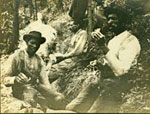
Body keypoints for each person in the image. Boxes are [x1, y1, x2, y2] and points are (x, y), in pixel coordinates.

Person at [66, 6, 141, 113]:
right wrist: (99, 63)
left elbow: (121, 71)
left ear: (123, 22)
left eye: (114, 19)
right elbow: (110, 60)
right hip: (103, 81)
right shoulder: (113, 40)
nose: (110, 22)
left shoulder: (131, 41)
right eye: (109, 19)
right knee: (72, 108)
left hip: (117, 85)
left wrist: (103, 46)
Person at [3, 31, 65, 110]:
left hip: (36, 87)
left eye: (37, 44)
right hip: (21, 90)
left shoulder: (39, 60)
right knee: (31, 100)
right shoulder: (17, 56)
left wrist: (51, 94)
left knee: (59, 98)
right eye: (32, 43)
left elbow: (45, 82)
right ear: (27, 42)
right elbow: (4, 79)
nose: (35, 46)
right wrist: (15, 79)